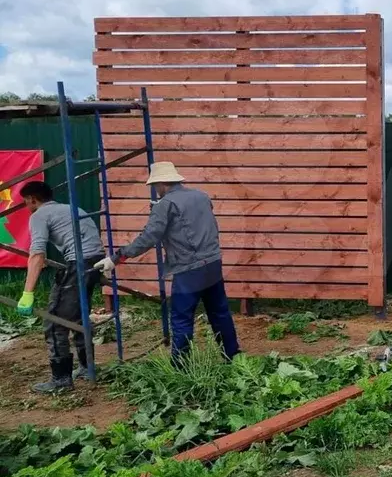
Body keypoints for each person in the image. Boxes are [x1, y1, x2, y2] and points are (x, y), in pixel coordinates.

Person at [95, 162, 239, 365]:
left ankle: (180, 367)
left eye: (155, 186)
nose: (155, 190)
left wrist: (116, 258)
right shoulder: (201, 195)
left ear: (161, 183)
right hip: (213, 262)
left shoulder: (165, 205)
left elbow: (149, 237)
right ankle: (233, 357)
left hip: (189, 268)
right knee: (220, 312)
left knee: (181, 318)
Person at [16, 181, 106, 393]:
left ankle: (61, 380)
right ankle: (86, 366)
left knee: (55, 321)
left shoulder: (38, 215)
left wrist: (27, 293)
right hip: (96, 261)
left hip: (79, 264)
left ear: (32, 199)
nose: (27, 206)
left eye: (26, 202)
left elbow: (37, 254)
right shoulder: (71, 208)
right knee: (78, 317)